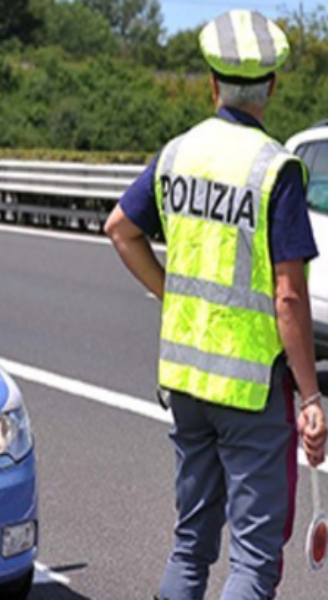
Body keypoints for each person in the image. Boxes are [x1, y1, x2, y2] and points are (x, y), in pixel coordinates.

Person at [104, 10, 327, 600]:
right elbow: (289, 295)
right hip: (250, 391)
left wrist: (169, 289)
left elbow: (120, 228)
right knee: (253, 563)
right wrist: (310, 396)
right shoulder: (274, 168)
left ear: (211, 82)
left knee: (190, 546)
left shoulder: (179, 153)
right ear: (272, 86)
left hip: (184, 385)